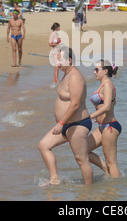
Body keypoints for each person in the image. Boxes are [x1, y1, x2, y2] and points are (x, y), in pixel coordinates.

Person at [38, 47, 93, 185]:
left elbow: (75, 104)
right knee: (43, 146)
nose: (58, 62)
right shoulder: (66, 73)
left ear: (69, 60)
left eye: (60, 59)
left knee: (81, 159)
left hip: (78, 123)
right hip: (66, 124)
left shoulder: (75, 77)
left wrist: (60, 123)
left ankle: (89, 192)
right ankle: (54, 179)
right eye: (57, 59)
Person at [88, 60, 121, 178]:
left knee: (112, 163)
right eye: (94, 69)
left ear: (105, 71)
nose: (94, 72)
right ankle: (107, 171)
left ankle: (115, 190)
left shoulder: (107, 85)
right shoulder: (102, 84)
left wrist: (90, 117)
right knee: (83, 151)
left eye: (97, 69)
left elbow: (107, 106)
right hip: (101, 127)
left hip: (110, 126)